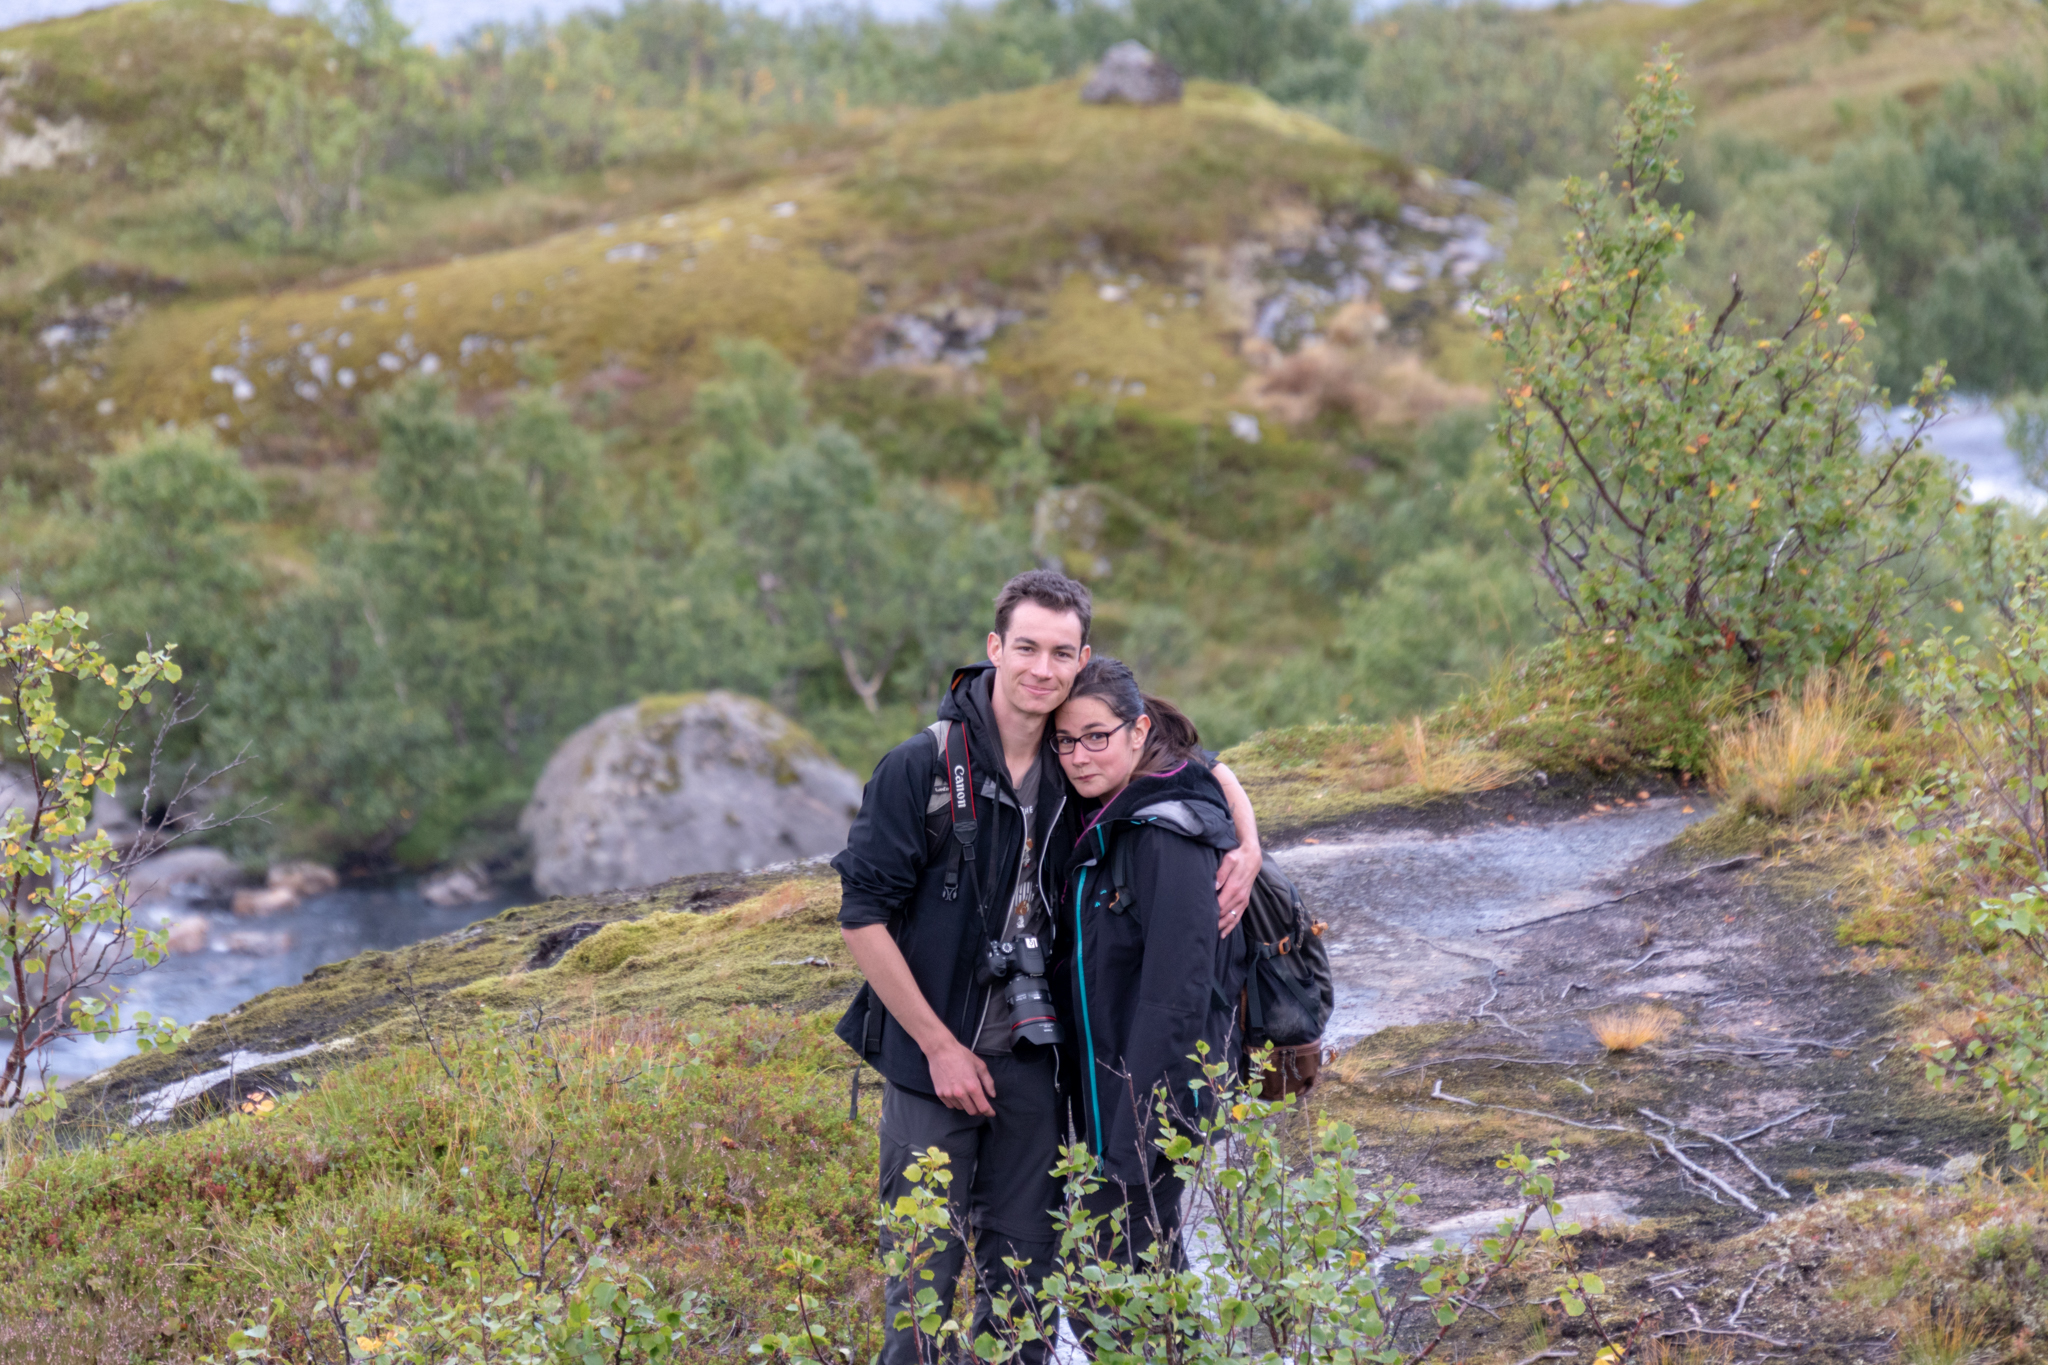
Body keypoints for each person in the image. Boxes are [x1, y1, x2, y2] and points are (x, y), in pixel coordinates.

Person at [834, 571, 1262, 1365]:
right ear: (994, 647)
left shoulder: (1077, 757)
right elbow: (861, 916)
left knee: (1024, 1296)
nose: (1042, 667)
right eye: (1026, 647)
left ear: (1083, 657)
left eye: (1061, 652)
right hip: (931, 1064)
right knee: (920, 1300)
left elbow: (1186, 761)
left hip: (1035, 1064)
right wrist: (938, 1046)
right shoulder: (921, 766)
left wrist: (1246, 834)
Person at [1049, 657, 1248, 1273]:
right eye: (1064, 741)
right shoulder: (1111, 807)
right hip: (1114, 1094)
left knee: (1115, 1272)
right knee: (1142, 1270)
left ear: (1138, 732)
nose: (1078, 757)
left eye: (1096, 737)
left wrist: (1134, 1131)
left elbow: (1177, 992)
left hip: (1148, 1105)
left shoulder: (1163, 835)